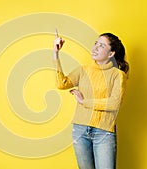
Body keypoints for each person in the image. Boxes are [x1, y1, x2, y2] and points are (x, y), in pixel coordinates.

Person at [53, 31, 129, 169]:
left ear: (111, 53)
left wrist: (84, 102)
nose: (95, 48)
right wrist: (56, 54)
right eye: (95, 43)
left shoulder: (118, 75)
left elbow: (114, 103)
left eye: (101, 45)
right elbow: (61, 83)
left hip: (104, 132)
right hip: (80, 130)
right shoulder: (83, 70)